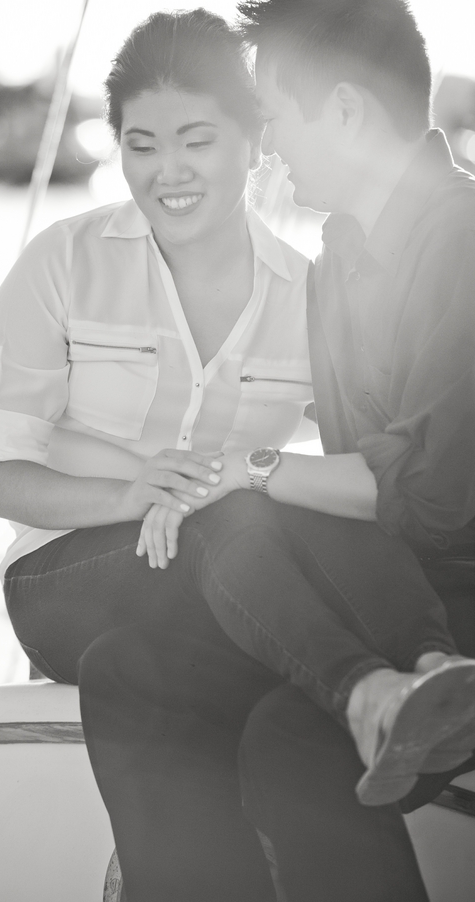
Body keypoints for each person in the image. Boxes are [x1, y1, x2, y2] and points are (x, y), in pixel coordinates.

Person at [75, 2, 475, 901]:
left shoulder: (465, 238)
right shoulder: (338, 259)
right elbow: (348, 492)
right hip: (387, 586)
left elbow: (442, 497)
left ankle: (398, 692)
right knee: (130, 674)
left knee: (292, 739)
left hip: (460, 599)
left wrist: (250, 469)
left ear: (342, 110)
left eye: (275, 113)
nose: (267, 138)